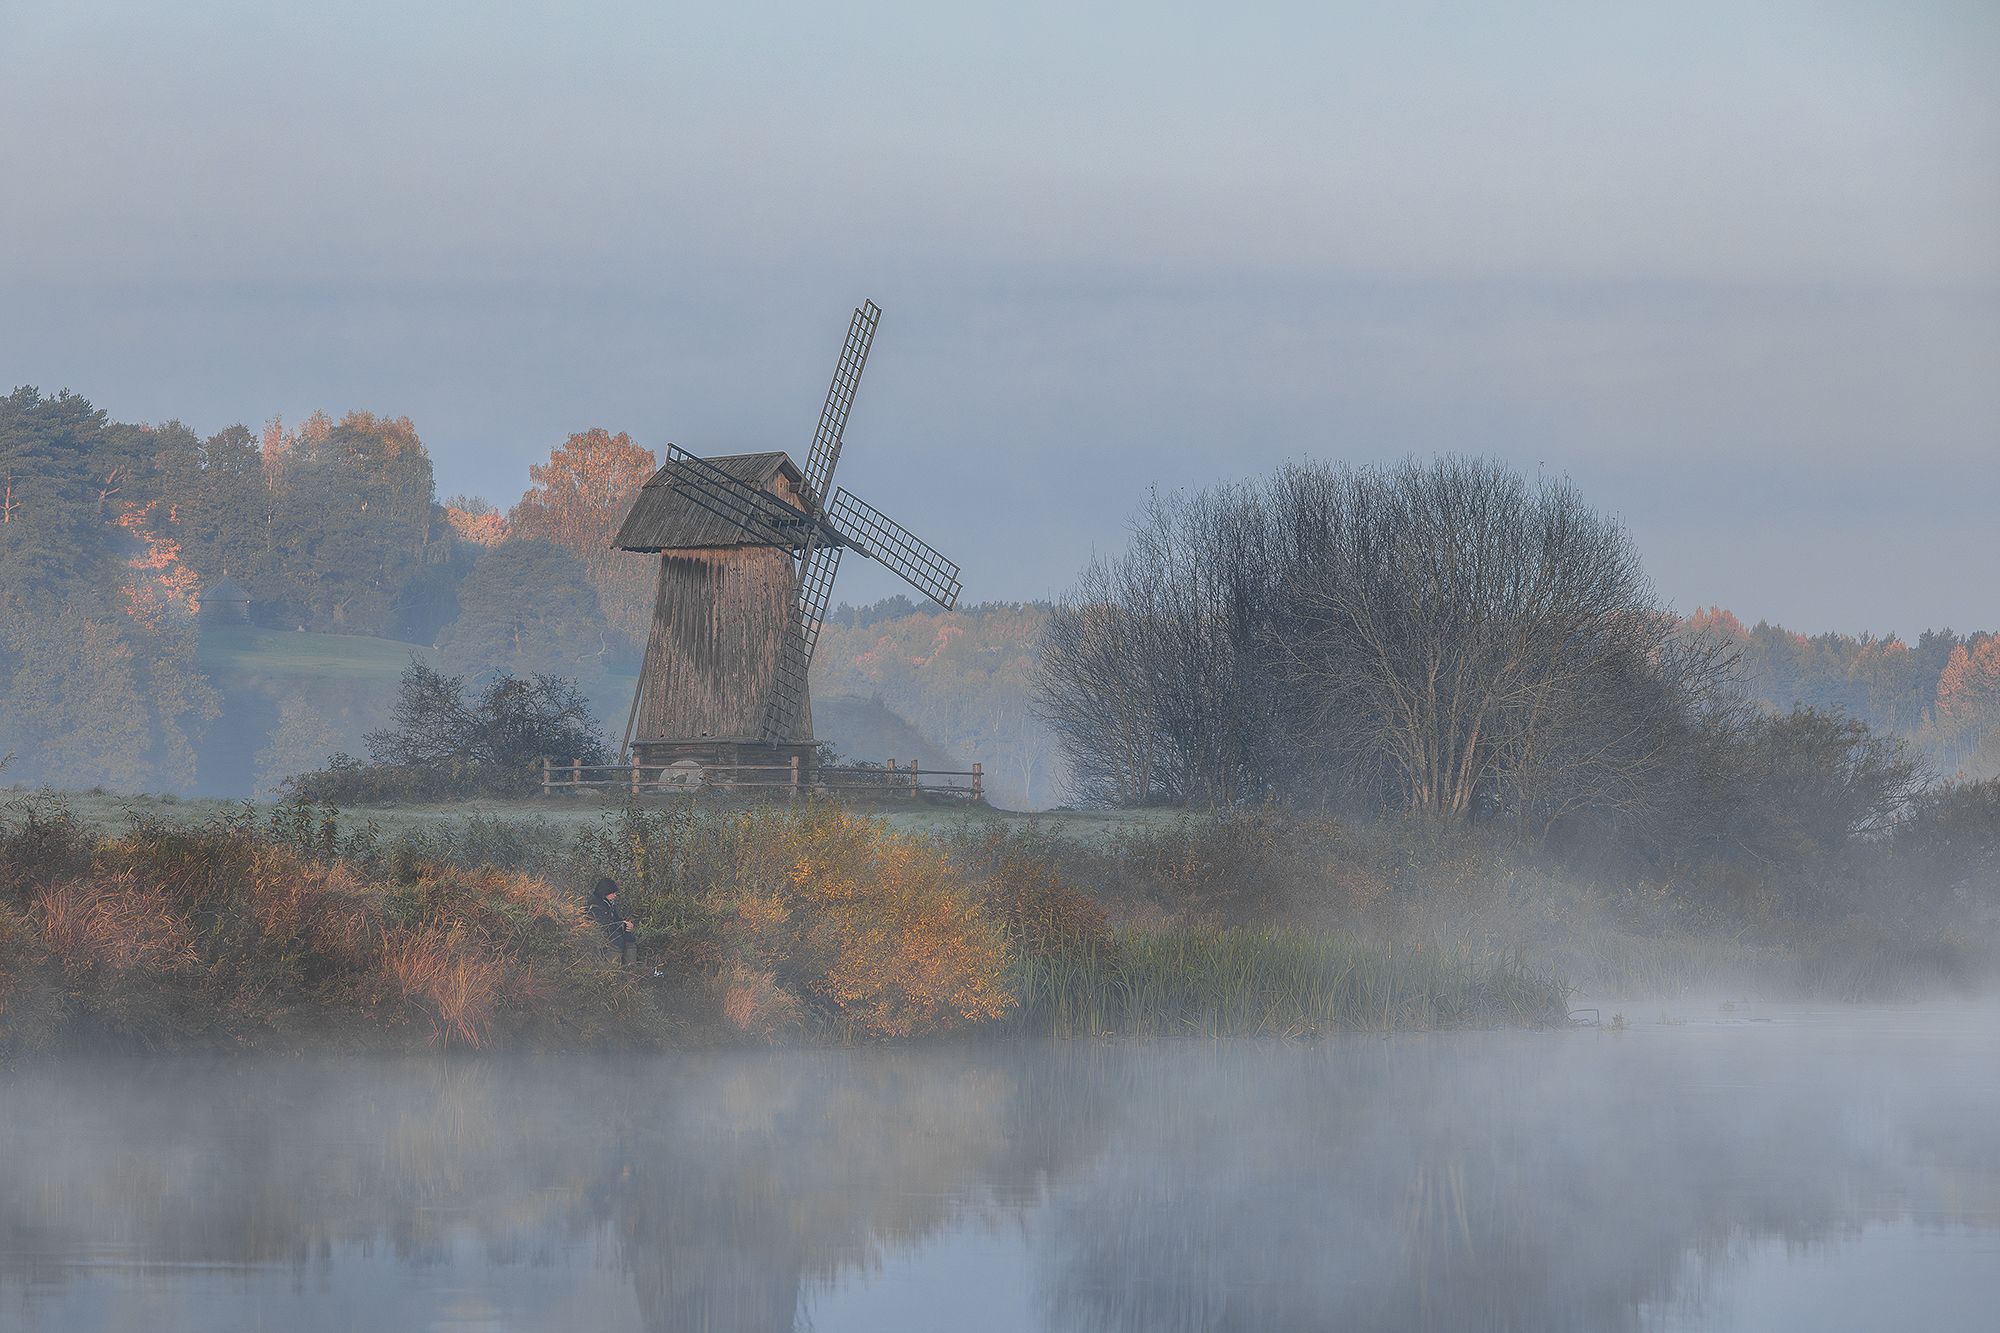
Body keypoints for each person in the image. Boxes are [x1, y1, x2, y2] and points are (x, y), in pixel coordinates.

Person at [588, 876, 639, 967]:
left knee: (630, 938)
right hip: (598, 933)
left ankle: (631, 966)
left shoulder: (609, 903)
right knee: (617, 940)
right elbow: (603, 924)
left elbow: (615, 919)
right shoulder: (595, 904)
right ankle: (613, 968)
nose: (615, 895)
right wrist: (621, 925)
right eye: (612, 893)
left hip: (610, 929)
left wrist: (626, 925)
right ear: (605, 893)